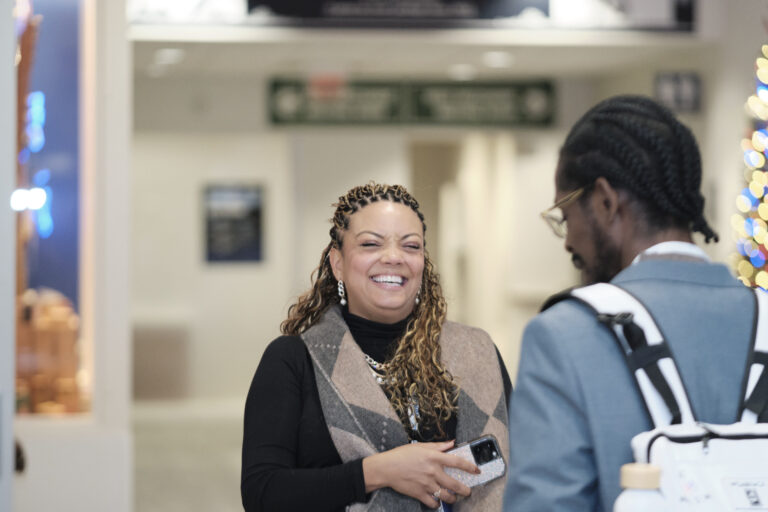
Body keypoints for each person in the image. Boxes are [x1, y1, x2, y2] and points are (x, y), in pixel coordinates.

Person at [503, 94, 756, 511]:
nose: (567, 240)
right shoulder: (762, 319)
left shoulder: (564, 335)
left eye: (566, 215)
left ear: (604, 201)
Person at [242, 183, 511, 512]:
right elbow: (262, 492)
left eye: (411, 246)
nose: (394, 257)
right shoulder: (292, 360)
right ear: (337, 262)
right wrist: (378, 472)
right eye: (371, 243)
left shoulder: (474, 353)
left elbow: (526, 470)